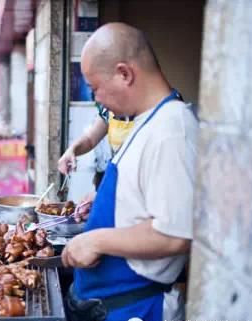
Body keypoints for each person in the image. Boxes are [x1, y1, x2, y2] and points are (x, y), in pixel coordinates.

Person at [61, 23, 196, 321]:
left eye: (95, 88)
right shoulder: (146, 121)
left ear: (125, 74)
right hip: (109, 304)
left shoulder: (172, 130)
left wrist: (94, 240)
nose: (96, 98)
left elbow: (174, 234)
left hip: (137, 308)